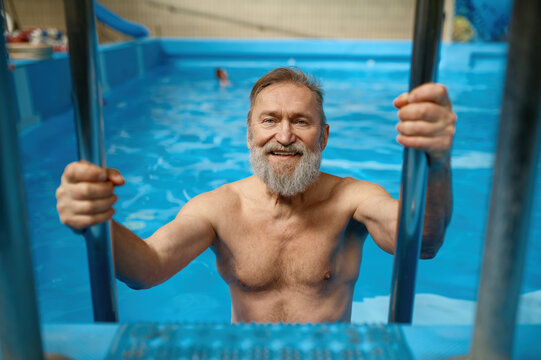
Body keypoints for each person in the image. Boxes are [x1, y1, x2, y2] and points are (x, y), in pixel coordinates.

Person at [56, 67, 455, 323]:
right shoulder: (219, 209)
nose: (284, 136)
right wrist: (96, 220)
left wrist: (436, 162)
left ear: (324, 136)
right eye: (270, 121)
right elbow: (146, 269)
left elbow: (423, 242)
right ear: (250, 135)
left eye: (301, 121)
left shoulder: (353, 200)